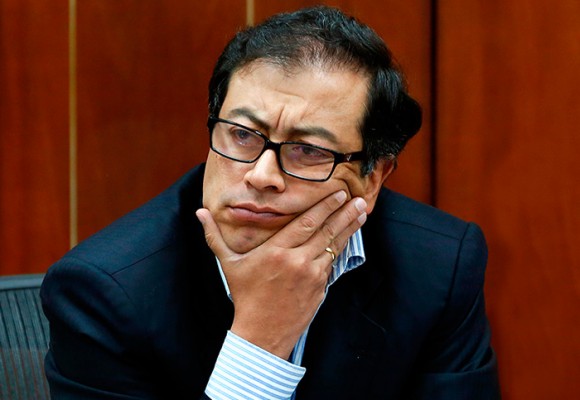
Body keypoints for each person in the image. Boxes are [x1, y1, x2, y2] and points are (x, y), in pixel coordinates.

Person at [41, 5, 500, 399]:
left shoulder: (438, 266)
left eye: (308, 150)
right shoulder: (105, 291)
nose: (261, 176)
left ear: (373, 176)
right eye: (242, 135)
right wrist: (259, 343)